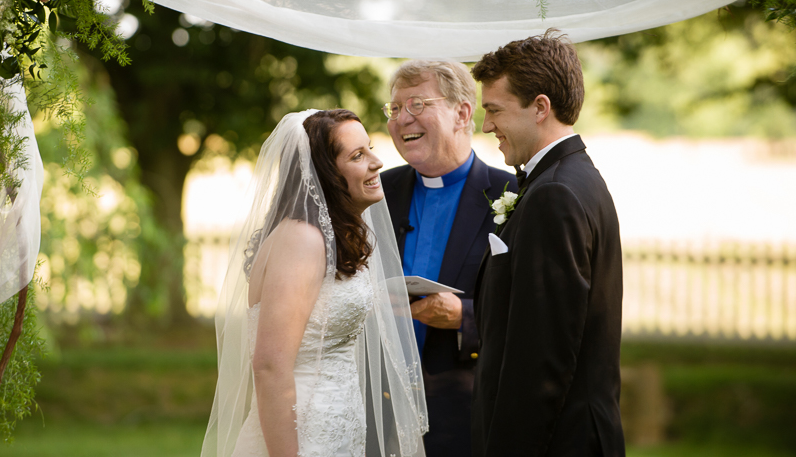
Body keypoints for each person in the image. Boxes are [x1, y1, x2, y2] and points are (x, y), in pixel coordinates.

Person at [201, 109, 428, 457]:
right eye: (357, 155)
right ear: (326, 174)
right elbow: (269, 366)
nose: (377, 161)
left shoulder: (336, 235)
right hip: (298, 437)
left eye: (369, 148)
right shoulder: (302, 239)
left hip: (337, 429)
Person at [469, 31, 625, 456]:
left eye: (494, 110)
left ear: (540, 107)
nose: (486, 126)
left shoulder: (555, 194)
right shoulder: (574, 177)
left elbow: (541, 360)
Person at [380, 60, 517, 457]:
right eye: (394, 109)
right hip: (379, 405)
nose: (403, 119)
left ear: (462, 113)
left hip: (465, 410)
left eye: (417, 104)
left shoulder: (513, 194)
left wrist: (465, 316)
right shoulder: (376, 192)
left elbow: (533, 305)